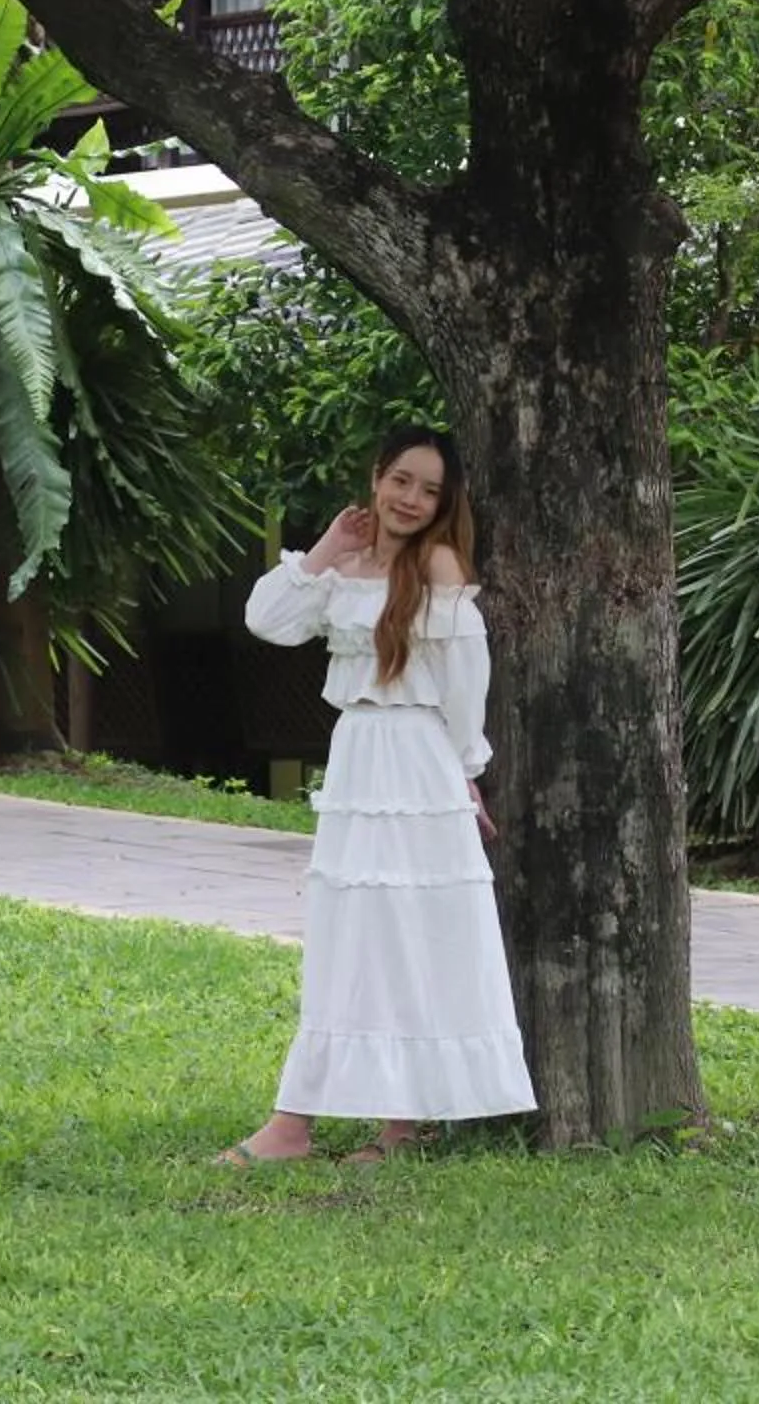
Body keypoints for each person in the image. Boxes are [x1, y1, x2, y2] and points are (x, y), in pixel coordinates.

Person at [218, 425, 536, 1165]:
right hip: (358, 761)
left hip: (421, 768)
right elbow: (266, 619)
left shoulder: (440, 566)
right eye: (401, 480)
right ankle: (293, 1124)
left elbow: (466, 688)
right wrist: (327, 546)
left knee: (414, 932)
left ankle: (403, 1125)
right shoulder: (347, 564)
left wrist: (467, 771)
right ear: (377, 477)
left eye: (429, 489)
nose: (412, 499)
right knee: (351, 932)